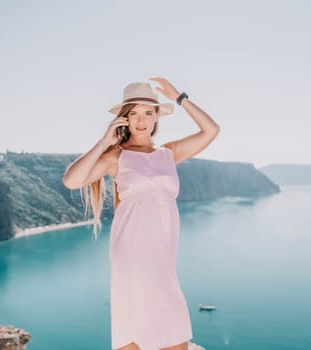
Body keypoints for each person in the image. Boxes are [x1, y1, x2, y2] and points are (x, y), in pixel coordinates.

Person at [62, 77, 220, 350]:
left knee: (170, 322)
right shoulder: (116, 156)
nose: (141, 120)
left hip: (162, 256)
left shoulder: (169, 153)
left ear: (158, 115)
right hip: (131, 252)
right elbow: (72, 181)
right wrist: (103, 142)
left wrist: (179, 98)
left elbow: (211, 130)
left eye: (148, 112)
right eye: (133, 113)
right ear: (124, 118)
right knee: (135, 322)